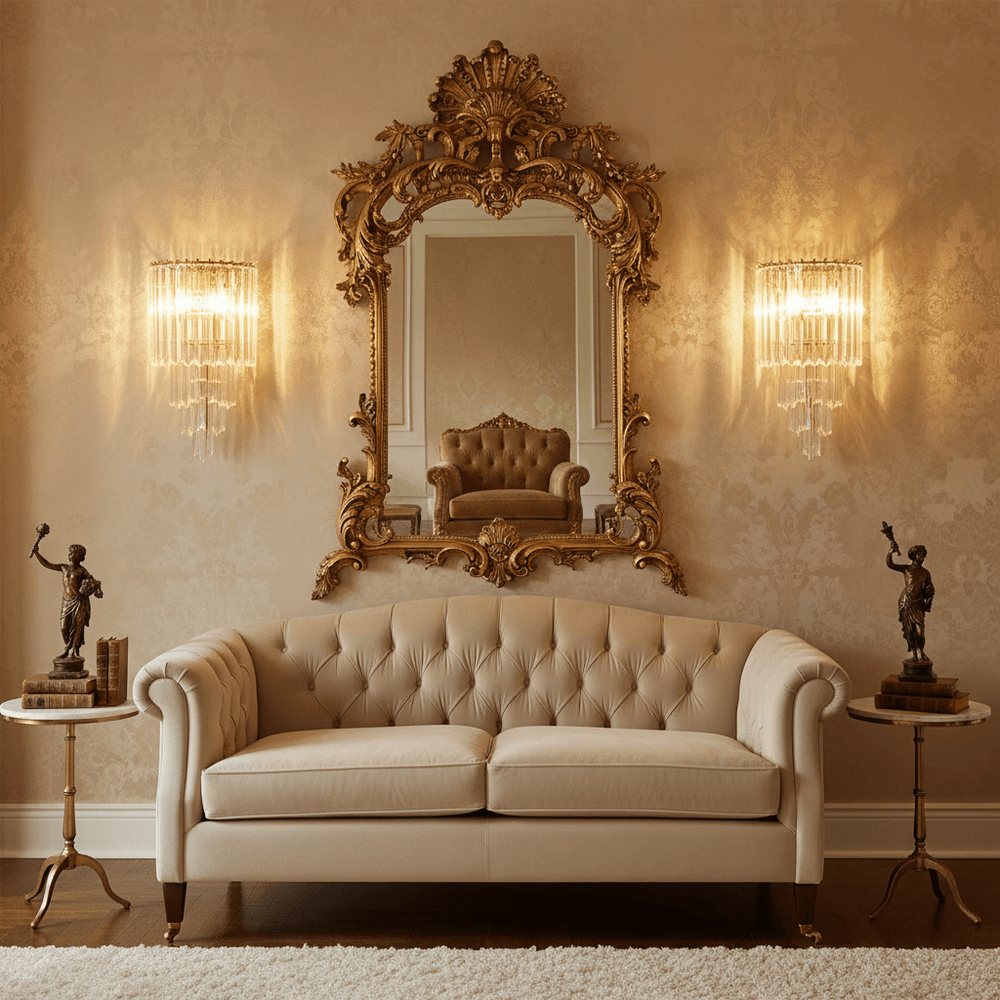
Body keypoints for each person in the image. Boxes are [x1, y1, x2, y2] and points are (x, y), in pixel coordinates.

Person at [32, 542, 103, 659]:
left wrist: (97, 590)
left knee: (78, 626)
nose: (71, 554)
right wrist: (36, 553)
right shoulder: (63, 567)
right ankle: (68, 646)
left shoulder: (82, 570)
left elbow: (94, 581)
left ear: (80, 556)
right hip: (67, 601)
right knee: (64, 627)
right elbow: (47, 564)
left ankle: (74, 650)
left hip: (79, 600)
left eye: (74, 553)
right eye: (70, 552)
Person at [886, 544, 934, 662]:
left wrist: (929, 592)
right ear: (913, 556)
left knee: (920, 630)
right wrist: (890, 552)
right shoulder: (907, 569)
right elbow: (890, 564)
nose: (921, 557)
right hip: (906, 602)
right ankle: (916, 653)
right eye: (919, 554)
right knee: (910, 629)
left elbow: (930, 587)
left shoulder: (925, 573)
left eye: (923, 554)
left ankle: (920, 651)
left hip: (918, 603)